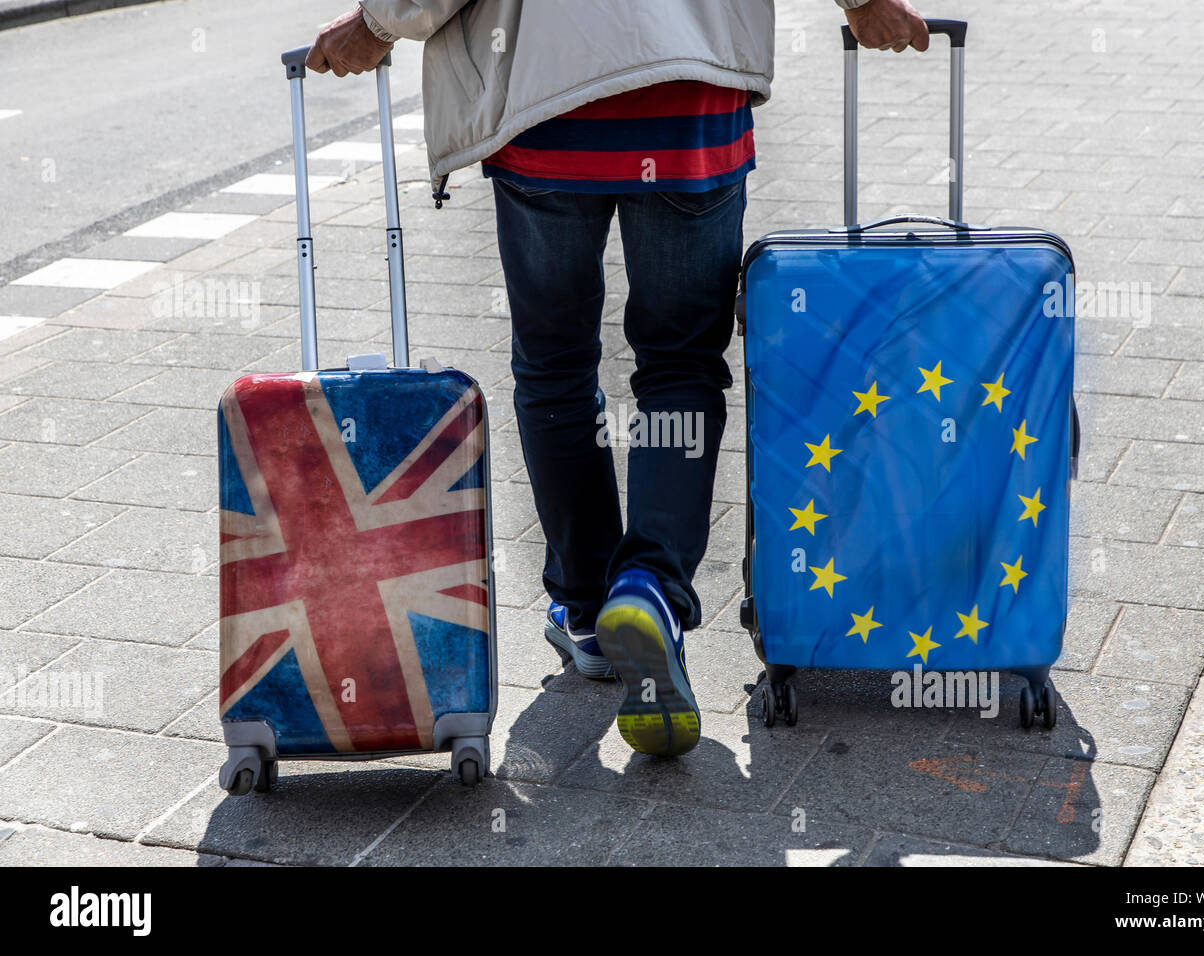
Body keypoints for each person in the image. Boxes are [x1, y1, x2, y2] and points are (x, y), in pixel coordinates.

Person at [307, 0, 929, 757]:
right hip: (687, 99)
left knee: (555, 365)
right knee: (680, 363)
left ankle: (589, 608)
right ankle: (652, 591)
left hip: (545, 104)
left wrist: (378, 23)